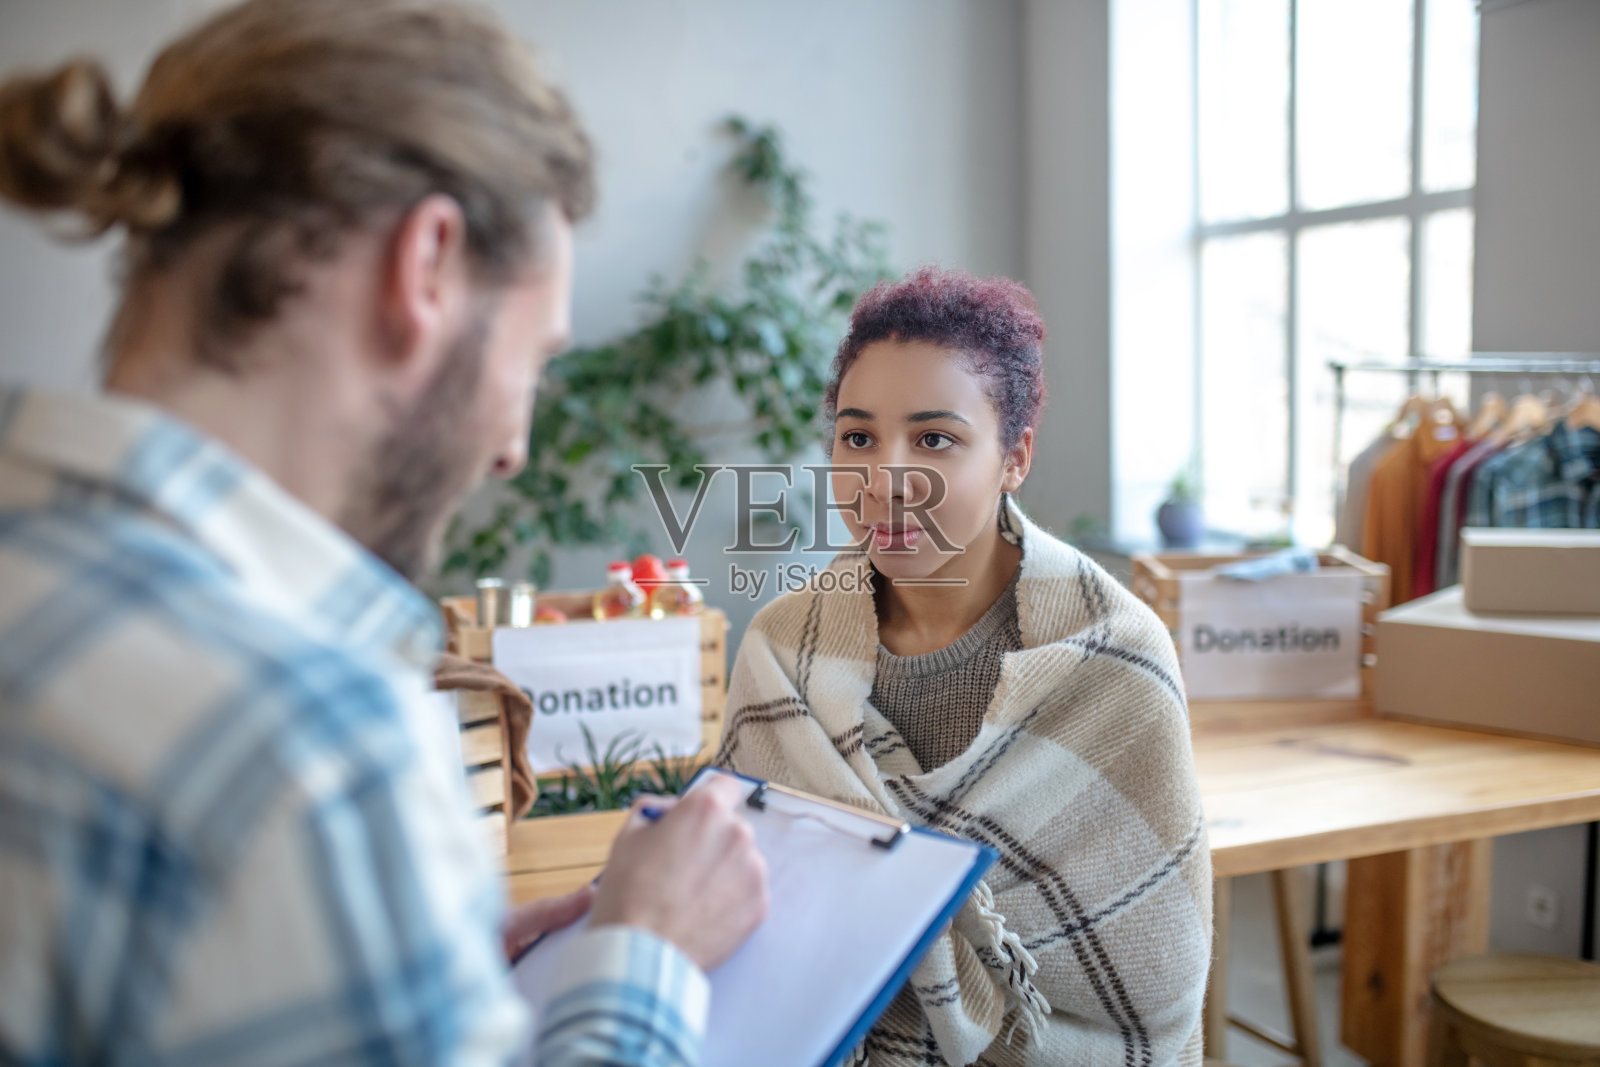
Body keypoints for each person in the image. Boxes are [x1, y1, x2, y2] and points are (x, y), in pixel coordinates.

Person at [0, 2, 767, 1064]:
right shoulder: (315, 751)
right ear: (428, 267)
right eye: (533, 363)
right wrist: (651, 952)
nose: (513, 447)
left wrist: (395, 950)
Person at [716, 267, 1212, 1066]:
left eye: (935, 439)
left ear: (1014, 457)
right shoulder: (780, 649)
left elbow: (1152, 981)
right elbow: (747, 923)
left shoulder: (1116, 660)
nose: (885, 479)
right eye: (858, 436)